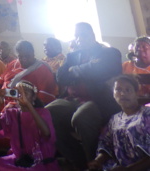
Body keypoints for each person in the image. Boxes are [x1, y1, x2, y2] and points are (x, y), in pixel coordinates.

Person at [46, 22, 122, 170]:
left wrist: (75, 70)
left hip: (97, 99)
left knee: (81, 118)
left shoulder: (108, 52)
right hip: (71, 99)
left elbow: (102, 70)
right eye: (76, 36)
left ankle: (95, 163)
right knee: (46, 114)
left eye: (82, 35)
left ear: (92, 35)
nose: (79, 39)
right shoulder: (72, 55)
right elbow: (61, 77)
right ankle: (79, 161)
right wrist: (84, 70)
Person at [0, 81, 59, 170]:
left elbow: (46, 134)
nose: (21, 95)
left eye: (25, 93)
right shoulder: (11, 113)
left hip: (41, 162)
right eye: (18, 92)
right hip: (20, 160)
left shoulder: (43, 112)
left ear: (34, 97)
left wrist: (28, 105)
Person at [87, 74, 150, 171]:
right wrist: (98, 161)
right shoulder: (114, 120)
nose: (122, 94)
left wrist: (130, 170)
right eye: (118, 90)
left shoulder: (147, 114)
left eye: (128, 90)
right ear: (113, 94)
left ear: (136, 93)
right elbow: (106, 144)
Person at [0, 40, 57, 107]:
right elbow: (1, 78)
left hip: (24, 108)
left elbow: (43, 100)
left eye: (27, 56)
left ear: (33, 53)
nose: (24, 59)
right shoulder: (13, 63)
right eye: (20, 57)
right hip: (3, 102)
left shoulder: (43, 70)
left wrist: (17, 104)